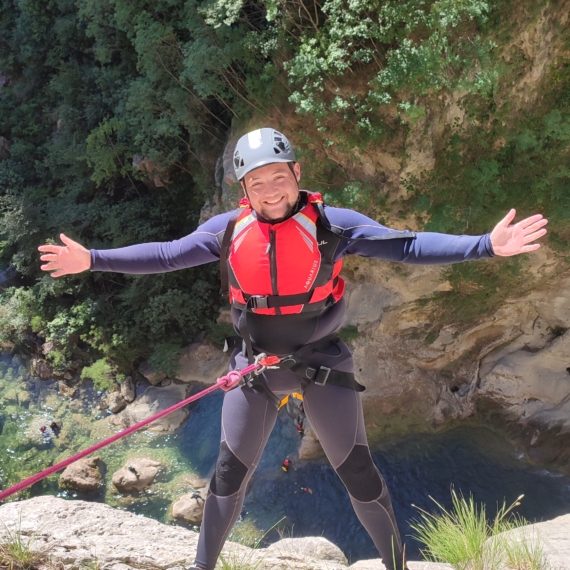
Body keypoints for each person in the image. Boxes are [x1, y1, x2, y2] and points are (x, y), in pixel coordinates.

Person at [38, 127, 548, 570]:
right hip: (255, 368)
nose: (269, 189)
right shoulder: (229, 230)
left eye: (277, 176)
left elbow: (406, 245)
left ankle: (395, 565)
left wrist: (485, 244)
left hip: (321, 364)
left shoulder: (332, 224)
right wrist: (94, 259)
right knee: (227, 475)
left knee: (358, 474)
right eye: (255, 182)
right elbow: (168, 255)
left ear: (296, 173)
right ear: (243, 189)